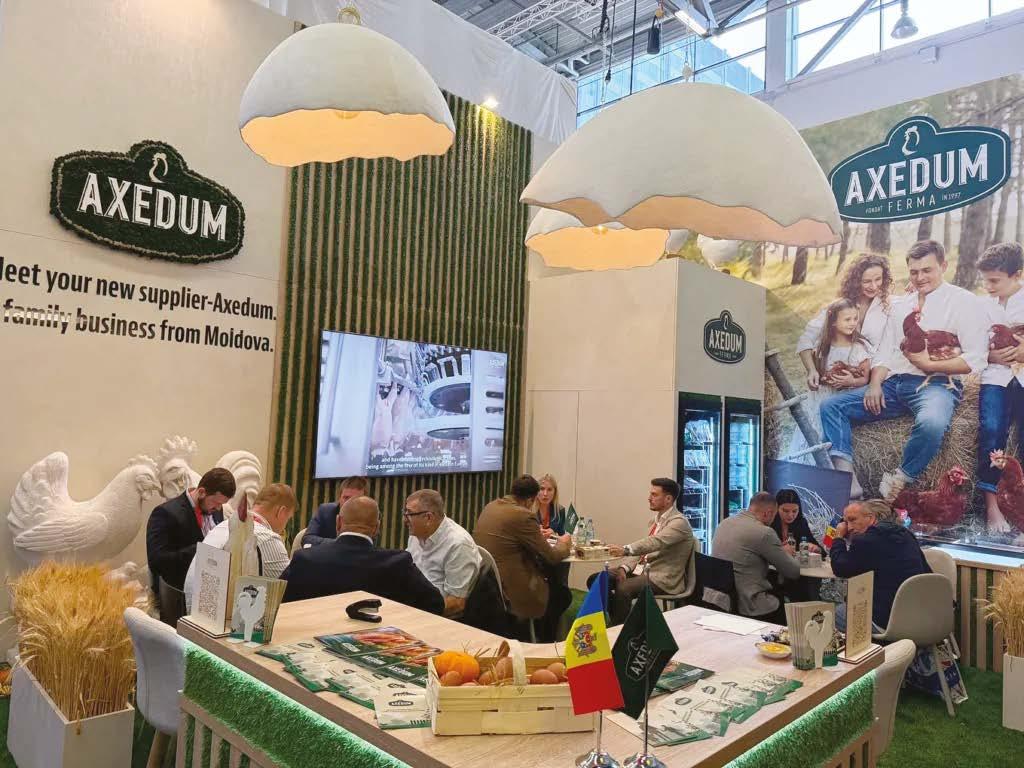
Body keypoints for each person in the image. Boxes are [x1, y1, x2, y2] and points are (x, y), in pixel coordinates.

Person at [820, 240, 989, 501]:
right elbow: (887, 350)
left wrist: (930, 365)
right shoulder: (901, 305)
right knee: (831, 407)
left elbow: (976, 358)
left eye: (927, 270)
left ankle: (900, 478)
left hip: (937, 384)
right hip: (894, 384)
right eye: (914, 272)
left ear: (943, 266)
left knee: (933, 422)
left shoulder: (964, 302)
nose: (920, 278)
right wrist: (875, 384)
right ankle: (847, 480)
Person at [281, 496, 443, 613]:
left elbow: (274, 602)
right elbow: (436, 603)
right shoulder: (398, 563)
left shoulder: (305, 559)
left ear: (338, 523)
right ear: (377, 528)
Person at [473, 475, 572, 642]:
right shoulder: (523, 515)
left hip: (488, 584)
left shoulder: (491, 507)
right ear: (530, 500)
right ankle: (544, 642)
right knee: (562, 595)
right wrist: (564, 543)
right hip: (512, 589)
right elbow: (552, 556)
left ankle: (535, 633)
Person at [183, 483, 297, 612]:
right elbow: (289, 593)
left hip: (190, 612)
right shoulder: (269, 539)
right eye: (288, 519)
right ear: (281, 512)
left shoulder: (221, 525)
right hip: (220, 619)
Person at [788, 299, 872, 463]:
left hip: (843, 397)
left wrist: (851, 381)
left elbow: (865, 378)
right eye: (847, 319)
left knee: (829, 434)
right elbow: (817, 371)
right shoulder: (822, 346)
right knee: (812, 431)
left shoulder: (859, 347)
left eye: (855, 319)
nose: (852, 323)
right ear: (833, 322)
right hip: (822, 396)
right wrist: (815, 378)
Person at [602, 478, 695, 625]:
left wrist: (625, 550)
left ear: (668, 499)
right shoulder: (655, 521)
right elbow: (643, 550)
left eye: (654, 495)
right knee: (598, 580)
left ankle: (619, 630)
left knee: (624, 589)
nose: (649, 498)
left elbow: (654, 543)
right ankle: (626, 622)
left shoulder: (679, 523)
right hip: (643, 570)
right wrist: (624, 568)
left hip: (663, 577)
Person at [977, 243, 1024, 533]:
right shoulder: (982, 306)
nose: (988, 286)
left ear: (1017, 275)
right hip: (995, 376)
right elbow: (970, 344)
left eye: (994, 280)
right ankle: (992, 505)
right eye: (985, 280)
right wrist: (990, 355)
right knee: (992, 429)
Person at [829, 500, 931, 631]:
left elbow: (840, 568)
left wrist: (838, 537)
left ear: (871, 518)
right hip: (922, 615)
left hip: (888, 619)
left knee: (835, 614)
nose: (848, 528)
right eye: (846, 522)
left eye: (852, 520)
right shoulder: (906, 534)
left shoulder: (867, 540)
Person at [711, 492, 800, 624]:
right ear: (767, 513)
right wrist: (785, 552)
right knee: (786, 597)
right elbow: (793, 572)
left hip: (717, 598)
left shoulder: (725, 523)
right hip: (747, 603)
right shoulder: (764, 533)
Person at [797, 253, 894, 373]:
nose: (874, 286)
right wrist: (812, 371)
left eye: (878, 279)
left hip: (873, 376)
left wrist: (912, 287)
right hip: (837, 375)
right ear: (856, 281)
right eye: (867, 281)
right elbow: (806, 339)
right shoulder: (840, 306)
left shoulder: (888, 305)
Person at [147, 467, 236, 594]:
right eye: (216, 503)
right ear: (202, 492)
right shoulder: (164, 513)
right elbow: (156, 562)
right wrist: (201, 549)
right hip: (177, 593)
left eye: (221, 504)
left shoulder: (217, 509)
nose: (218, 508)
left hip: (210, 590)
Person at [404, 489, 481, 617]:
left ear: (428, 517)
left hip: (437, 616)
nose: (405, 519)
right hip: (414, 604)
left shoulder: (458, 544)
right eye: (405, 512)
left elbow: (457, 603)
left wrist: (415, 613)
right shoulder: (416, 534)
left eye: (409, 514)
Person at [303, 476, 369, 547]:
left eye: (355, 499)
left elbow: (370, 546)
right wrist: (338, 544)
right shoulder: (325, 511)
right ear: (339, 498)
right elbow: (307, 539)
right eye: (346, 498)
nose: (349, 503)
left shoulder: (370, 516)